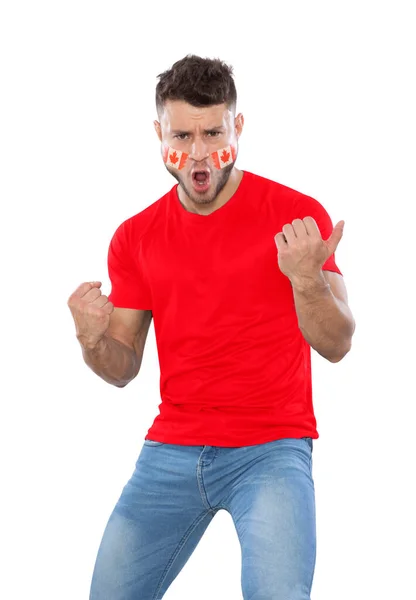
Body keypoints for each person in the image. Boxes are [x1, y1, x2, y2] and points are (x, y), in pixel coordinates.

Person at [68, 54, 355, 600]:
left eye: (212, 132)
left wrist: (307, 281)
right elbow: (122, 366)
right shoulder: (135, 236)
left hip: (271, 446)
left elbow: (338, 344)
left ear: (237, 128)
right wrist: (91, 340)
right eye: (181, 134)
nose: (197, 153)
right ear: (158, 134)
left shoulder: (296, 217)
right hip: (172, 446)